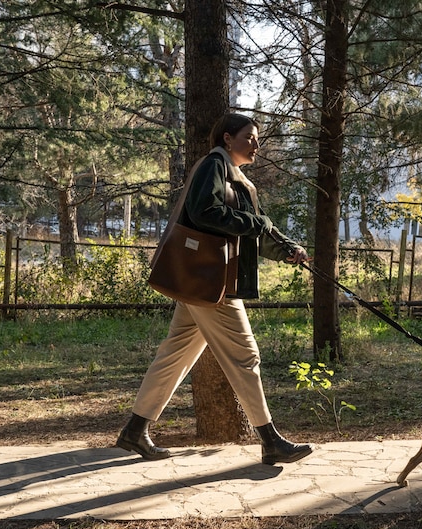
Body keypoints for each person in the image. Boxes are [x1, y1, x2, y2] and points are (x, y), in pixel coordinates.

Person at [116, 113, 313, 465]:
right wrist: (257, 223)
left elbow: (249, 232)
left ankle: (134, 430)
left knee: (175, 355)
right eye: (250, 137)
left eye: (257, 138)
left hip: (203, 282)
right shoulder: (213, 166)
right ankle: (270, 441)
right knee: (245, 356)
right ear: (227, 138)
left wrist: (285, 249)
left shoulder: (238, 179)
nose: (256, 144)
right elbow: (205, 211)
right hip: (213, 284)